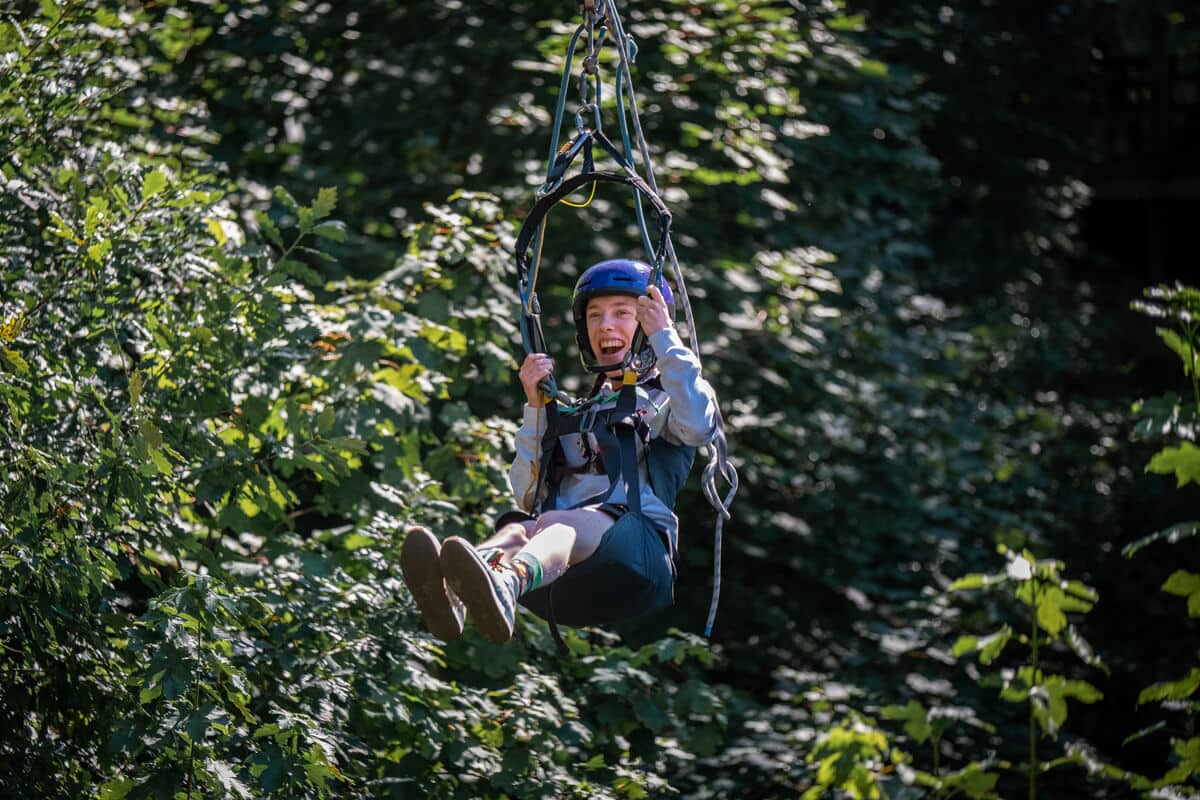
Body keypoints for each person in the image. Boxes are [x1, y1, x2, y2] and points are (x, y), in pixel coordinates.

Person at [401, 258, 718, 643]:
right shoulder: (580, 412)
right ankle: (457, 594)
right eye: (595, 315)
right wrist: (535, 410)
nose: (605, 325)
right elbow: (529, 494)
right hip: (561, 572)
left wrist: (666, 337)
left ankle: (507, 584)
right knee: (522, 527)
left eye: (623, 313)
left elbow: (701, 425)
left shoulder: (667, 399)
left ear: (648, 322)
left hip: (637, 557)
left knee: (554, 524)